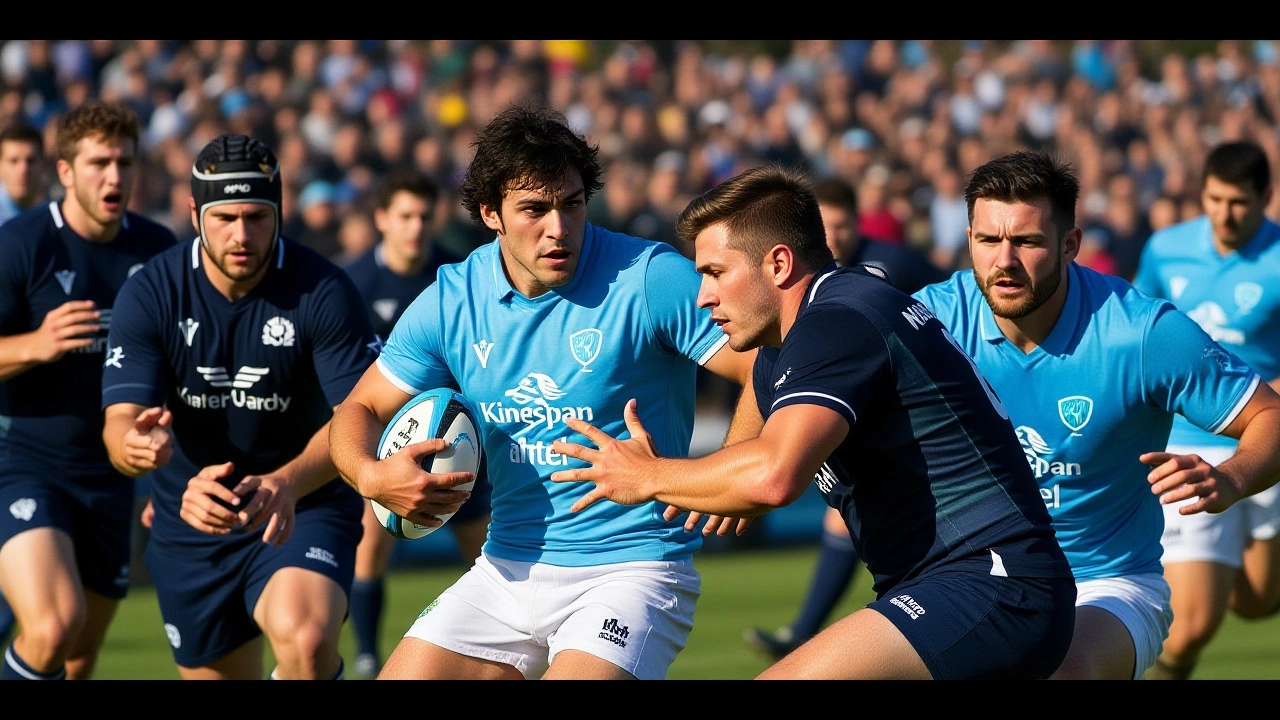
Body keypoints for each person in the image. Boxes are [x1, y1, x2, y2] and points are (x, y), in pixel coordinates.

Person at [549, 163, 1078, 680]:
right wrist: (727, 466)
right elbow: (762, 407)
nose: (703, 295)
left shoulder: (838, 321)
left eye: (715, 272)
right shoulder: (795, 335)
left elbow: (774, 478)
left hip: (992, 585)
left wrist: (648, 476)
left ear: (779, 264)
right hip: (951, 587)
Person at [328, 100, 756, 680]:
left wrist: (734, 465)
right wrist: (372, 476)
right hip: (505, 569)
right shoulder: (453, 298)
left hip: (631, 571)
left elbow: (765, 362)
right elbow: (358, 408)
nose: (558, 228)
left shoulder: (649, 277)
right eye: (534, 209)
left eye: (572, 205)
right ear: (490, 214)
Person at [911, 149, 1280, 679]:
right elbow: (786, 344)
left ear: (1070, 246)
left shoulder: (1143, 333)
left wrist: (1232, 477)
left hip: (1108, 584)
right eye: (989, 240)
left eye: (1028, 242)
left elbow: (1272, 418)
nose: (1005, 260)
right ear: (969, 239)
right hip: (970, 578)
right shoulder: (930, 322)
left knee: (1065, 669)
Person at [101, 133, 377, 680]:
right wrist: (140, 448)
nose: (241, 235)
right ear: (194, 211)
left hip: (304, 501)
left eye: (256, 216)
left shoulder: (323, 290)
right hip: (191, 517)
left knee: (307, 640)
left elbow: (361, 413)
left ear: (280, 209)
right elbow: (119, 426)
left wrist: (288, 482)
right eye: (225, 218)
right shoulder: (151, 291)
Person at [0, 101, 178, 680]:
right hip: (23, 463)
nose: (115, 176)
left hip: (113, 479)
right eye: (99, 162)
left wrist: (169, 479)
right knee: (52, 625)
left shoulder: (158, 251)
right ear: (67, 171)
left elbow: (180, 372)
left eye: (125, 162)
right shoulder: (21, 244)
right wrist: (34, 344)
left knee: (77, 660)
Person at [744, 174, 947, 660]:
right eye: (824, 226)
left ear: (858, 223)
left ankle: (803, 632)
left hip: (906, 416)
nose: (833, 237)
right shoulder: (797, 305)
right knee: (846, 510)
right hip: (855, 415)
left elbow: (942, 309)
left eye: (841, 225)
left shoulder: (892, 266)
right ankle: (807, 630)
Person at [1131, 140, 1280, 680]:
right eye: (1215, 199)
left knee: (1259, 602)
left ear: (1265, 197)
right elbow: (1134, 328)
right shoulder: (1166, 249)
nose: (1225, 213)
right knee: (1190, 626)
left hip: (1265, 437)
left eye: (1238, 202)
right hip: (1189, 445)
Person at [340, 169, 491, 680]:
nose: (415, 226)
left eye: (425, 216)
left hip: (458, 437)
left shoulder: (455, 280)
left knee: (484, 548)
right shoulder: (355, 283)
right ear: (382, 219)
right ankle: (365, 653)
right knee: (372, 535)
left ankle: (502, 638)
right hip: (390, 439)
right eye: (405, 216)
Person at [0, 119, 52, 644]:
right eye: (11, 160)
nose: (21, 169)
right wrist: (36, 344)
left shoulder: (52, 234)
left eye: (28, 160)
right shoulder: (10, 240)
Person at [0, 121, 47, 226]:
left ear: (43, 165)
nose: (23, 169)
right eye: (13, 161)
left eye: (30, 161)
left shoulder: (53, 218)